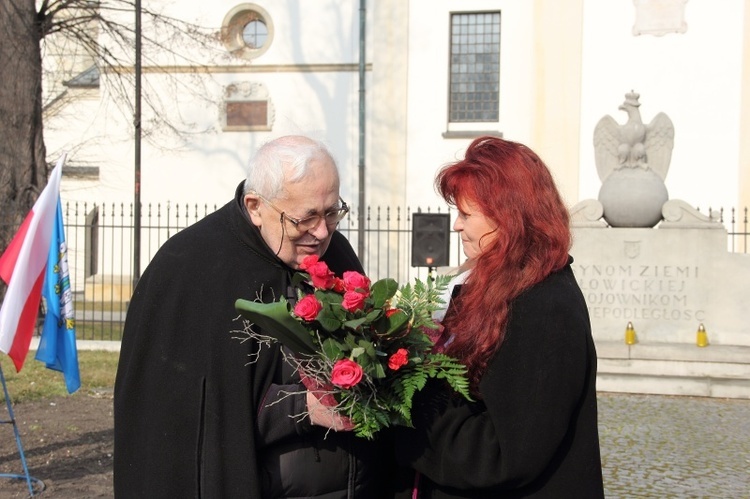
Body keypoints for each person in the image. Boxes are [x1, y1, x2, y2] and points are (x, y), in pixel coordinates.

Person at [114, 135, 392, 497]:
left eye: (332, 212)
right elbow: (186, 421)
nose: (322, 232)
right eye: (304, 218)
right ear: (255, 206)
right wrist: (301, 407)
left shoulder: (333, 252)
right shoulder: (192, 268)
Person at [393, 136, 604, 498]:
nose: (456, 226)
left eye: (466, 214)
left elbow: (504, 452)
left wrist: (405, 411)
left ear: (507, 219)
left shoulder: (543, 306)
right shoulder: (497, 288)